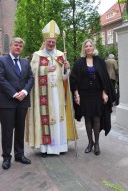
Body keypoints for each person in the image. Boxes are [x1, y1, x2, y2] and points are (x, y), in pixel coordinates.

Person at [27, 20, 76, 157]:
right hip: (44, 95)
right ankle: (45, 148)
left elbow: (65, 77)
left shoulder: (61, 55)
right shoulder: (38, 55)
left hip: (58, 93)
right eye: (49, 41)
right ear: (45, 41)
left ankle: (60, 146)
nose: (51, 43)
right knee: (46, 118)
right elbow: (32, 72)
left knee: (59, 119)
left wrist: (67, 69)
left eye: (53, 41)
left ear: (56, 42)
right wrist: (46, 69)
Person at [70, 39, 115, 156]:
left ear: (93, 48)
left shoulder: (99, 61)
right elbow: (74, 80)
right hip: (84, 95)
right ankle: (90, 142)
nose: (88, 48)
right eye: (86, 46)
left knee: (96, 118)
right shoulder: (79, 62)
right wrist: (76, 94)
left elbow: (105, 78)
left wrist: (105, 92)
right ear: (84, 49)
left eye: (90, 46)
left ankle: (97, 144)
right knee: (88, 119)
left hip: (97, 94)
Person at [0, 37, 34, 170]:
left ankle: (19, 154)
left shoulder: (25, 62)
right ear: (10, 46)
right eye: (16, 45)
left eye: (20, 46)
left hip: (22, 102)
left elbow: (30, 78)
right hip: (7, 102)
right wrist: (14, 93)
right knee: (7, 131)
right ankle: (6, 157)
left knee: (20, 129)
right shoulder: (1, 60)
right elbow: (0, 78)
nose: (18, 47)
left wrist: (24, 92)